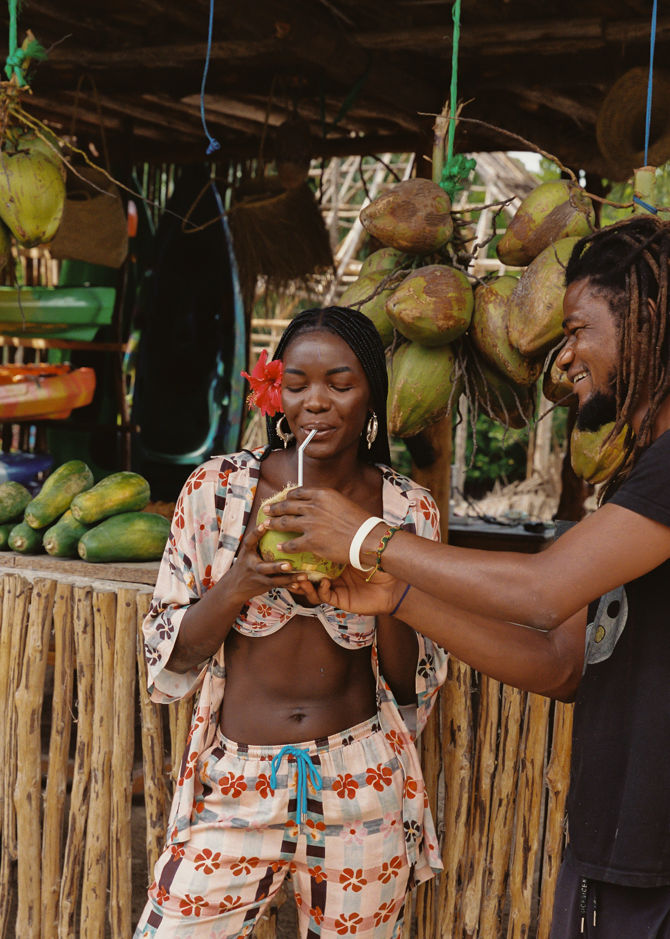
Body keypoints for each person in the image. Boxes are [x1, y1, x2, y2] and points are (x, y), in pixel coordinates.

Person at [261, 216, 670, 938]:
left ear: (645, 316)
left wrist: (365, 537)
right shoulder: (640, 476)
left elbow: (543, 593)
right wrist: (402, 599)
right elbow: (562, 661)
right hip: (616, 848)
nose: (563, 359)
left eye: (576, 329)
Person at [134, 306, 448, 939]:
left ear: (371, 400)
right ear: (275, 392)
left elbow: (409, 684)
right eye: (298, 384)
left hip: (362, 783)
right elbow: (171, 651)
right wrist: (243, 578)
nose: (317, 403)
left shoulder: (406, 510)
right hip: (234, 786)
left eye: (340, 383)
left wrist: (376, 572)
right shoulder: (218, 491)